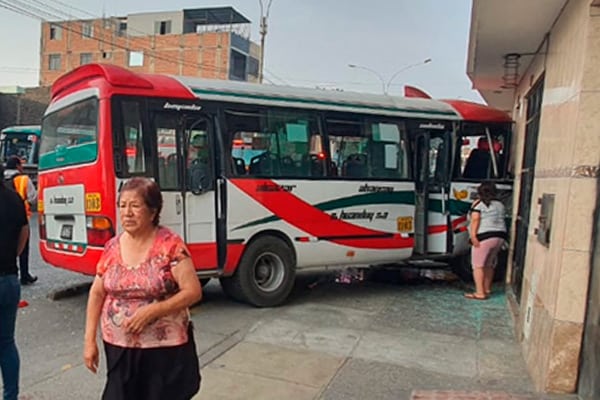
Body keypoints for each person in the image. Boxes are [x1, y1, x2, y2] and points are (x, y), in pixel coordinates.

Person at [83, 177, 202, 400]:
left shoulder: (170, 245)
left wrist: (153, 311)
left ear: (153, 211)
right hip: (119, 347)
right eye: (122, 205)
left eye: (135, 206)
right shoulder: (112, 247)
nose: (127, 213)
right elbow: (97, 293)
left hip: (164, 350)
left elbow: (193, 291)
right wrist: (89, 341)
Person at [0, 162, 29, 400]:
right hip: (9, 279)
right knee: (7, 343)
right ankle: (11, 396)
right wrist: (11, 257)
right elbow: (24, 233)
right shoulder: (14, 199)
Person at [465, 181, 508, 300]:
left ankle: (480, 292)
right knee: (489, 264)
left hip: (484, 237)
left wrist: (473, 236)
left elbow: (475, 220)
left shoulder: (479, 204)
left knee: (477, 265)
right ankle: (487, 289)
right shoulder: (500, 205)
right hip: (499, 237)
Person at [3, 155, 38, 285]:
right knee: (23, 247)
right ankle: (24, 275)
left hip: (3, 218)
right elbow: (33, 198)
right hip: (21, 217)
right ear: (18, 166)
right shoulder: (23, 179)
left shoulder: (2, 178)